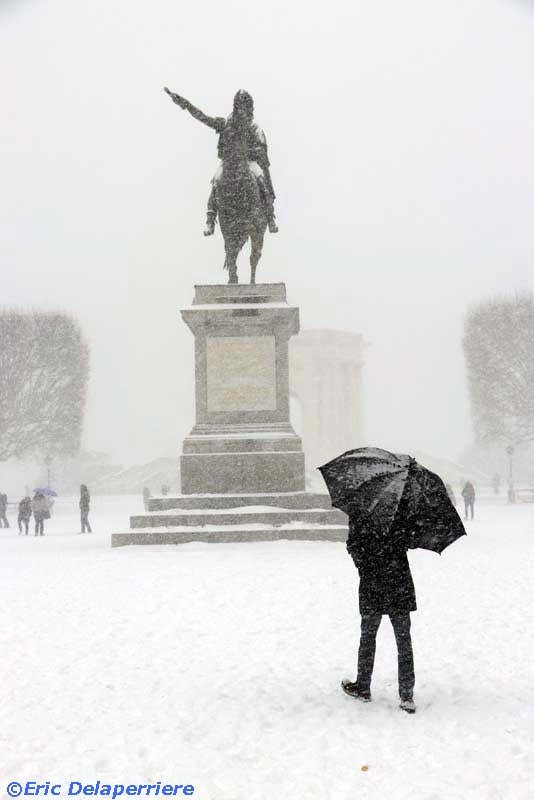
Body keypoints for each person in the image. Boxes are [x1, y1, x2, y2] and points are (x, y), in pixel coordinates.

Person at [165, 87, 278, 236]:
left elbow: (262, 151)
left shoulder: (255, 128)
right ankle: (210, 219)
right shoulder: (225, 124)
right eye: (239, 106)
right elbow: (203, 117)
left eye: (244, 107)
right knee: (217, 180)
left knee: (260, 178)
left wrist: (246, 153)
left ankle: (270, 217)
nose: (241, 110)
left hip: (249, 163)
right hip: (228, 163)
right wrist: (184, 103)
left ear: (249, 108)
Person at [342, 509, 417, 714]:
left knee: (368, 637)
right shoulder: (402, 509)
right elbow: (411, 539)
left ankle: (363, 685)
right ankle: (407, 694)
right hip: (398, 583)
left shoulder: (360, 509)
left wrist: (365, 565)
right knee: (403, 641)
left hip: (372, 583)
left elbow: (353, 546)